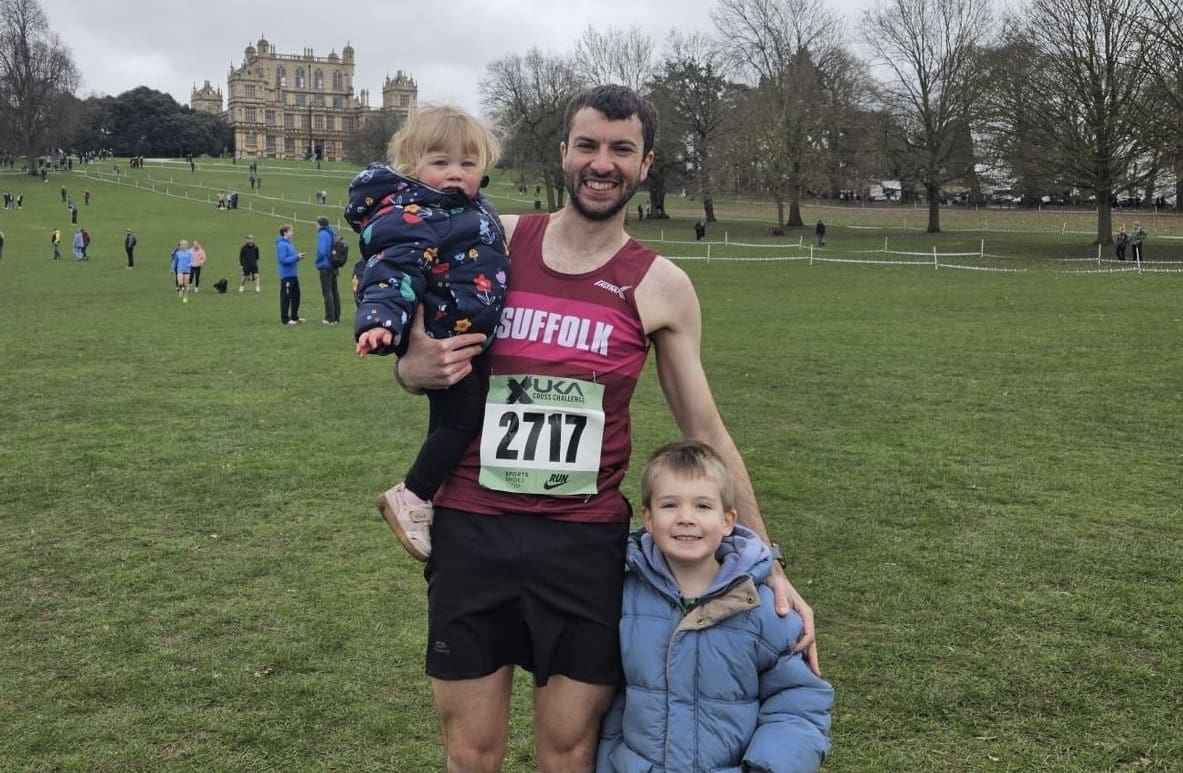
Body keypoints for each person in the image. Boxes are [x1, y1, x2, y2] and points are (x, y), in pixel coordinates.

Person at [390, 85, 817, 772]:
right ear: (563, 153)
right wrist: (411, 366)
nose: (601, 162)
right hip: (473, 529)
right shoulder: (493, 237)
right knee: (471, 752)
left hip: (581, 544)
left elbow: (702, 423)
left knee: (570, 750)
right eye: (587, 145)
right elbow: (417, 353)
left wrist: (765, 561)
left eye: (620, 149)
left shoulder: (661, 284)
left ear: (644, 164)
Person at [596, 440, 832, 772]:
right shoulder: (625, 600)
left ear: (728, 520)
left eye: (703, 506)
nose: (686, 518)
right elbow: (611, 700)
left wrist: (766, 768)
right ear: (648, 519)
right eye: (669, 505)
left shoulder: (764, 610)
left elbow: (797, 704)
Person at [349, 105, 508, 560]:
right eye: (440, 163)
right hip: (444, 337)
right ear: (411, 167)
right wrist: (381, 323)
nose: (455, 174)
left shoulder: (468, 210)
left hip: (463, 336)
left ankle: (433, 497)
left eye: (467, 163)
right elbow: (389, 269)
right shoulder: (419, 215)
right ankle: (414, 494)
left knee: (448, 421)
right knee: (464, 419)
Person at [314, 216, 341, 325]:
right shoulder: (332, 233)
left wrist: (317, 261)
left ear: (320, 224)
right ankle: (336, 317)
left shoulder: (323, 234)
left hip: (325, 265)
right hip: (333, 265)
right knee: (334, 291)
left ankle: (329, 317)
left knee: (327, 291)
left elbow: (322, 250)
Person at [276, 224, 304, 324]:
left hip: (293, 274)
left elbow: (291, 257)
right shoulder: (282, 245)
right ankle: (285, 319)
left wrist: (298, 256)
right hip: (286, 275)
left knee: (296, 296)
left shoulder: (289, 243)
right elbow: (283, 259)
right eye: (291, 231)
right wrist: (297, 257)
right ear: (285, 232)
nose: (292, 233)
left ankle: (294, 317)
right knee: (286, 297)